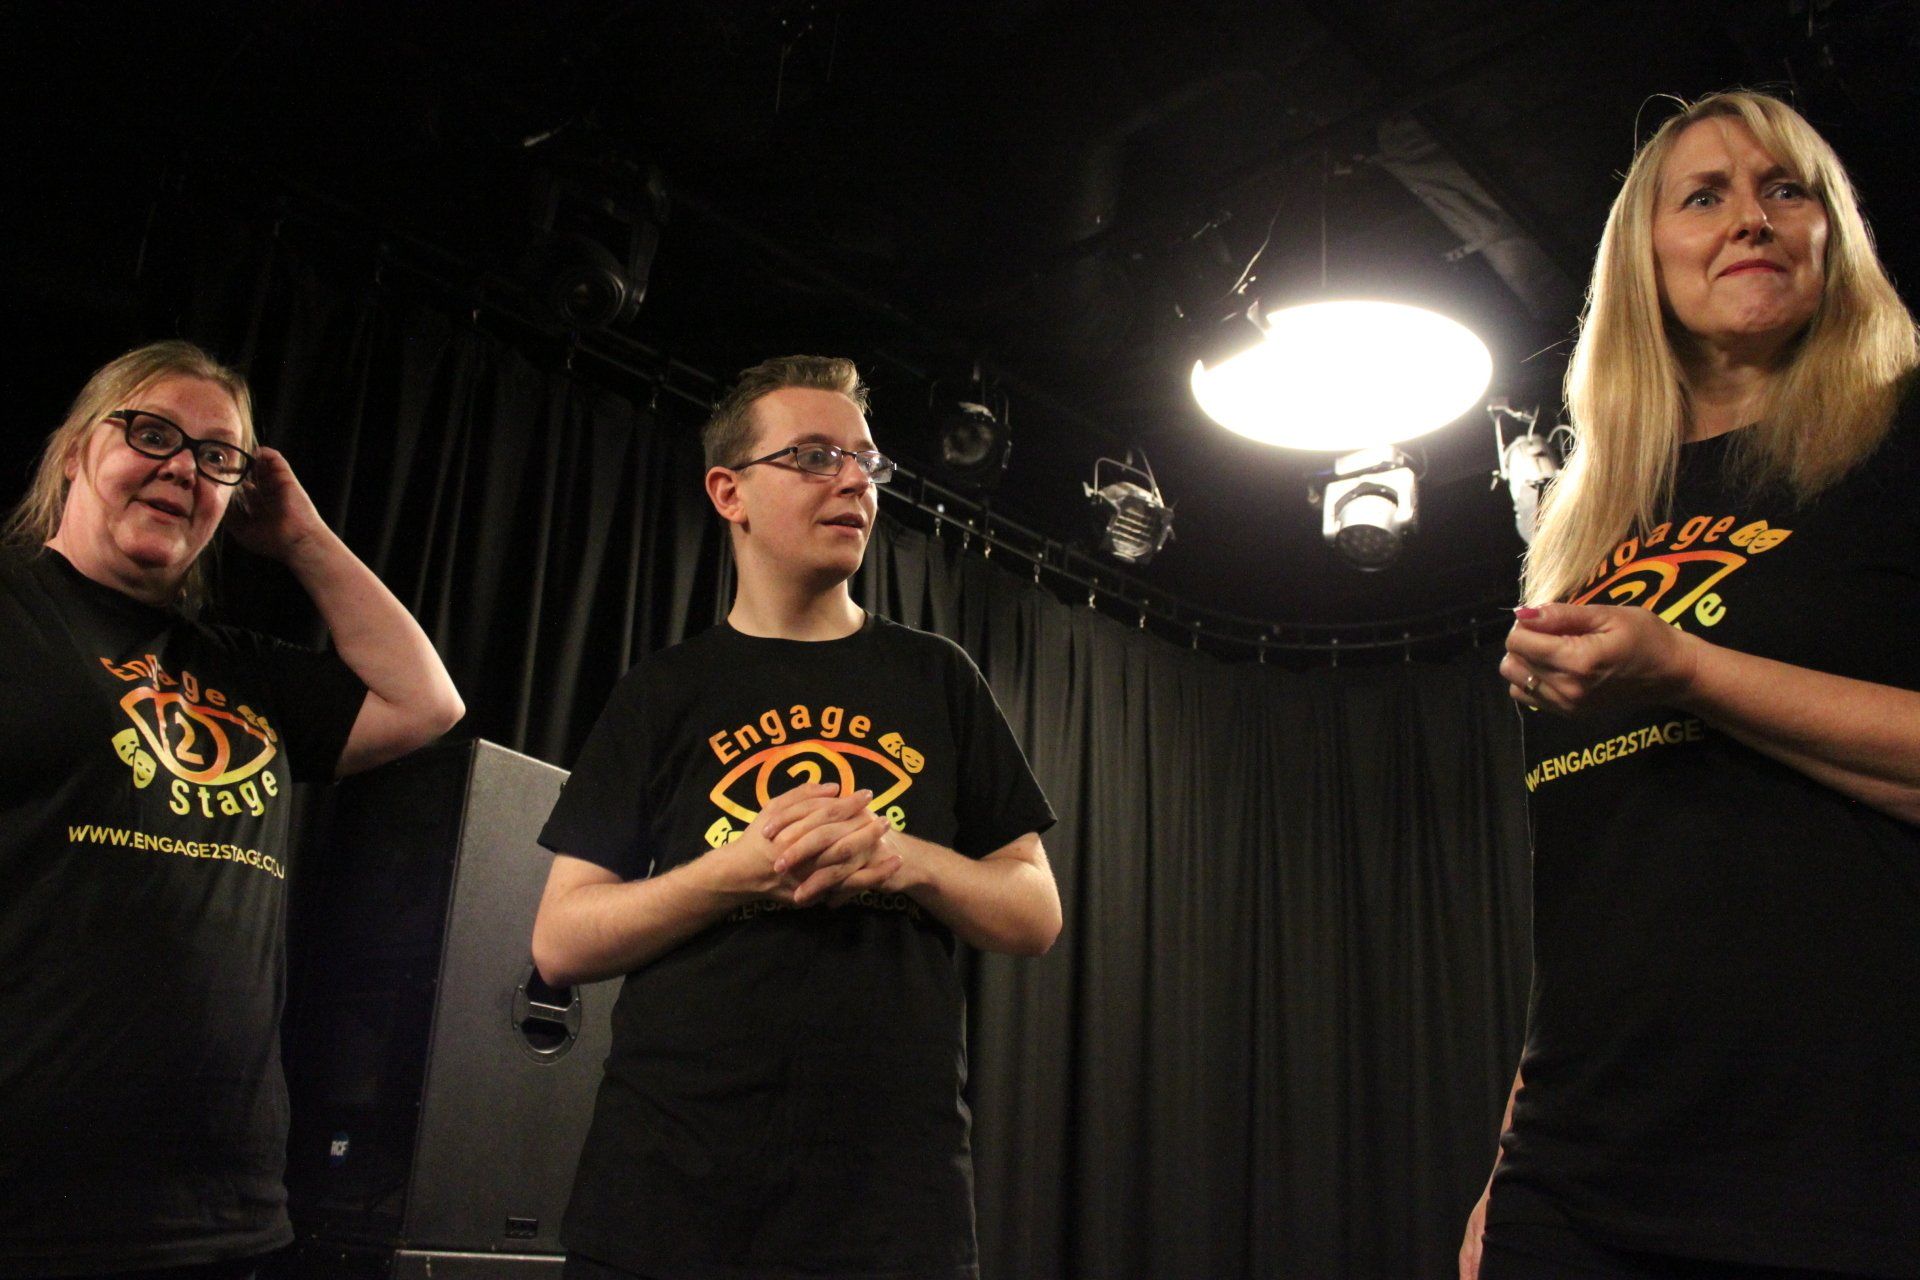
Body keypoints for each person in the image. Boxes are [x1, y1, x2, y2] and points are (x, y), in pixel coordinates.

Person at [1460, 91, 1920, 1279]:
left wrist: (1686, 670)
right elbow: (1597, 877)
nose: (1750, 221)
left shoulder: (1896, 447)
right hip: (1576, 1176)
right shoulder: (1589, 529)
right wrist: (1511, 1155)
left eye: (1787, 190)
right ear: (1641, 258)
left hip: (1839, 1169)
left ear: (1834, 232)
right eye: (1704, 197)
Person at [531, 355, 1061, 1280]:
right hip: (669, 1192)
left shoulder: (937, 678)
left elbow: (1034, 912)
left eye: (866, 461)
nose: (855, 480)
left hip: (892, 1204)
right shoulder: (665, 690)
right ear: (729, 491)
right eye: (816, 457)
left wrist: (904, 858)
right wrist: (730, 872)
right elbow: (561, 942)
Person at [0, 340, 466, 1278]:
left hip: (217, 1206)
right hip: (31, 1198)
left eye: (220, 457)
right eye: (152, 432)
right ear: (74, 451)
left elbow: (428, 704)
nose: (184, 465)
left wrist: (300, 537)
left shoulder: (239, 665)